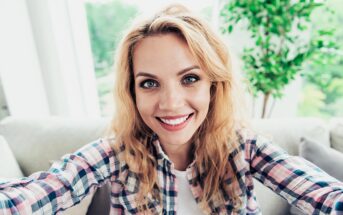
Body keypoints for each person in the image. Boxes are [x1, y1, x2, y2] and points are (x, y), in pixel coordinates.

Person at [1, 4, 343, 215]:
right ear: (131, 92)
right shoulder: (116, 153)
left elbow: (320, 192)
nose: (170, 103)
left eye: (190, 78)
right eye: (149, 83)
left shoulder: (246, 149)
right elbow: (46, 189)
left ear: (214, 83)